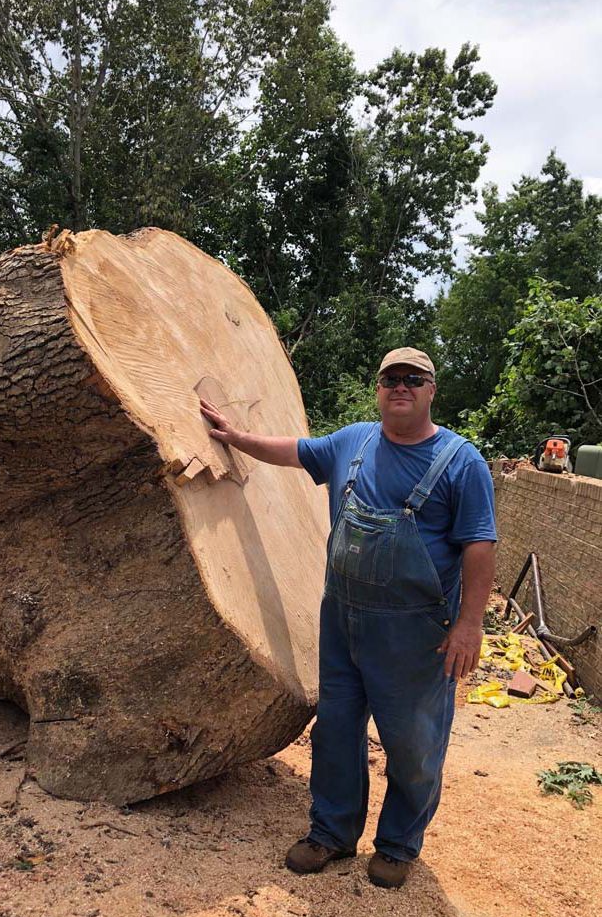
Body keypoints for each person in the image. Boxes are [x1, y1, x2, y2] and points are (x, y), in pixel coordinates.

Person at [199, 347, 496, 889]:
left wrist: (470, 624)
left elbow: (479, 544)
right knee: (336, 730)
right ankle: (331, 833)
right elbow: (294, 451)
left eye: (413, 379)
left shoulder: (462, 462)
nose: (400, 387)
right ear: (378, 388)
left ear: (431, 390)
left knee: (413, 741)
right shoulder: (352, 441)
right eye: (390, 378)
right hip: (342, 620)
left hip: (414, 635)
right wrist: (236, 438)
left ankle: (398, 845)